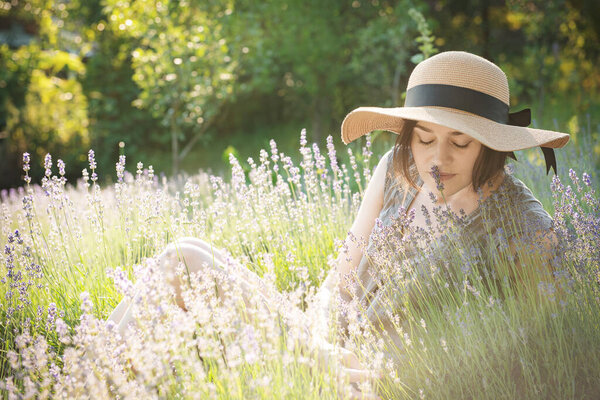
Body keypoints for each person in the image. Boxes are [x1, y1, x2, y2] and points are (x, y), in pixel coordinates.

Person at [107, 51, 569, 399]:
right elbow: (341, 275)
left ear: (490, 145)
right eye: (424, 138)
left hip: (385, 383)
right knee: (182, 255)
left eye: (461, 143)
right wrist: (320, 342)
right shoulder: (396, 169)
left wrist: (390, 372)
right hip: (329, 349)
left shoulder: (522, 222)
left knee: (186, 262)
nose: (436, 158)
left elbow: (539, 346)